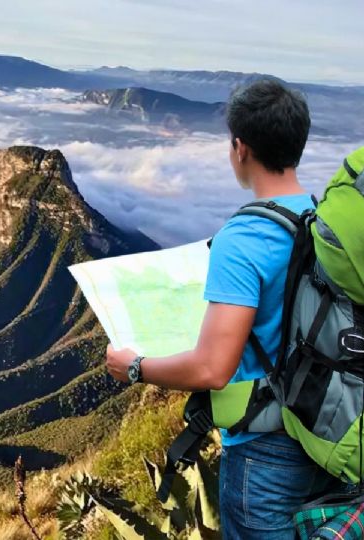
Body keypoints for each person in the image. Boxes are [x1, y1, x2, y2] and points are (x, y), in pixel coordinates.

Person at [105, 79, 333, 539]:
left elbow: (212, 369)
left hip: (266, 451)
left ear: (239, 147)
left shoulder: (244, 238)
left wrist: (135, 369)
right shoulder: (323, 218)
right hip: (327, 431)